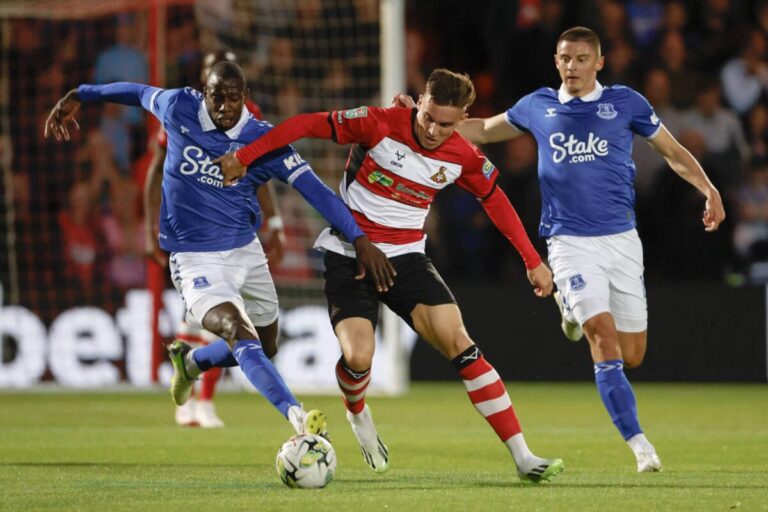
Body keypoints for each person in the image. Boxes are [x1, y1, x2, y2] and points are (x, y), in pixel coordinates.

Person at [215, 68, 564, 483]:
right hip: (350, 252)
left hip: (408, 259)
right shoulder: (378, 123)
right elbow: (305, 124)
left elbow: (496, 200)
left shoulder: (463, 156)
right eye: (428, 117)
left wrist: (532, 260)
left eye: (445, 124)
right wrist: (245, 156)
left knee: (462, 344)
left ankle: (523, 456)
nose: (433, 130)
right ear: (420, 102)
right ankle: (357, 411)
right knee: (359, 356)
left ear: (462, 119)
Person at [44, 61, 396, 441]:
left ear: (245, 97)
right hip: (195, 258)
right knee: (235, 329)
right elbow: (138, 93)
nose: (225, 107)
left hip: (246, 251)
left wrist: (358, 238)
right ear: (204, 94)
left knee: (267, 345)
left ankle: (192, 361)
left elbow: (315, 191)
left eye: (233, 98)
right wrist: (81, 94)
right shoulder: (179, 106)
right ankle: (297, 418)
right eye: (217, 98)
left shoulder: (263, 140)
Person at [454, 26, 725, 473]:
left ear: (599, 62)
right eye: (565, 58)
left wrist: (709, 189)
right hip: (568, 242)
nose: (572, 66)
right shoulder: (537, 105)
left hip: (622, 241)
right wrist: (427, 121)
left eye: (582, 59)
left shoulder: (625, 103)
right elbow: (481, 129)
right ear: (556, 61)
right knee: (601, 333)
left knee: (631, 354)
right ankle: (639, 444)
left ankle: (568, 310)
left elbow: (673, 151)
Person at [144, 49, 284, 428]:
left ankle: (203, 401)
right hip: (190, 233)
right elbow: (158, 168)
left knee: (229, 321)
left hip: (233, 232)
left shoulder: (249, 116)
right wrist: (149, 229)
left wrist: (274, 223)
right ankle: (191, 396)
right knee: (201, 319)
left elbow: (260, 174)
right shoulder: (182, 112)